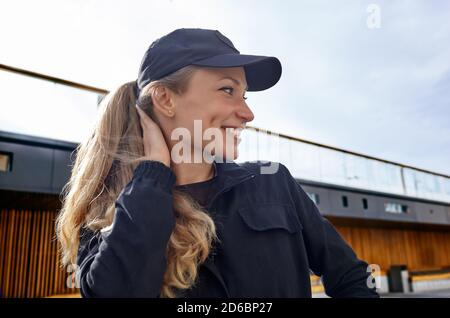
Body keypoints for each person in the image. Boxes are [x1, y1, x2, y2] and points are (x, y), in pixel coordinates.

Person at [56, 28, 379, 298]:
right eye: (227, 90)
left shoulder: (273, 182)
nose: (248, 114)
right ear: (166, 99)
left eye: (245, 96)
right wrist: (152, 174)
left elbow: (351, 278)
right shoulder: (103, 215)